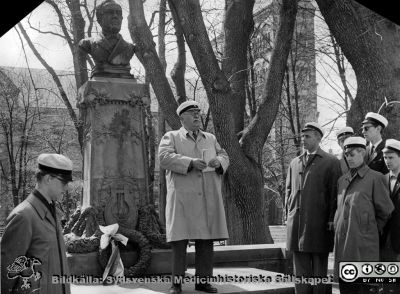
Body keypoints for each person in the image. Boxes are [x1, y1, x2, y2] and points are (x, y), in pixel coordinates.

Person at [158, 100, 229, 294]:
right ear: (182, 118)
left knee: (205, 240)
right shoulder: (171, 136)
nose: (197, 116)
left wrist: (219, 162)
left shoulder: (210, 138)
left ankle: (203, 281)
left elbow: (225, 155)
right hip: (182, 197)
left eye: (198, 113)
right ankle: (177, 283)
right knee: (179, 241)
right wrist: (189, 163)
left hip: (206, 196)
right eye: (192, 113)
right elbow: (164, 158)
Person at [1, 153, 73, 294]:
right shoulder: (24, 216)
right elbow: (6, 275)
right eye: (64, 182)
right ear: (48, 179)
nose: (66, 188)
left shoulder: (51, 212)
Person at [285, 122, 341, 294]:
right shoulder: (295, 162)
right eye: (302, 136)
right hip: (296, 224)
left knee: (319, 270)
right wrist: (288, 214)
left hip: (319, 224)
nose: (303, 140)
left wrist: (332, 218)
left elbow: (335, 194)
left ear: (318, 138)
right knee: (300, 270)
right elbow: (288, 191)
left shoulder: (331, 162)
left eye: (307, 136)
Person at [333, 137, 393, 294]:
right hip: (343, 246)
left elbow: (386, 211)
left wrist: (368, 228)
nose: (349, 158)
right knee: (346, 289)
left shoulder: (376, 177)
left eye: (352, 154)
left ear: (363, 153)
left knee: (364, 290)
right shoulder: (342, 180)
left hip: (364, 248)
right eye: (346, 154)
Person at [79, 0, 136, 78]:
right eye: (110, 12)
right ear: (100, 19)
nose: (115, 16)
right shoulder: (88, 44)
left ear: (122, 18)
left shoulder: (130, 48)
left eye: (118, 13)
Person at [381, 139, 400, 261]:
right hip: (383, 240)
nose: (387, 161)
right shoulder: (381, 180)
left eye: (391, 157)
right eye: (385, 157)